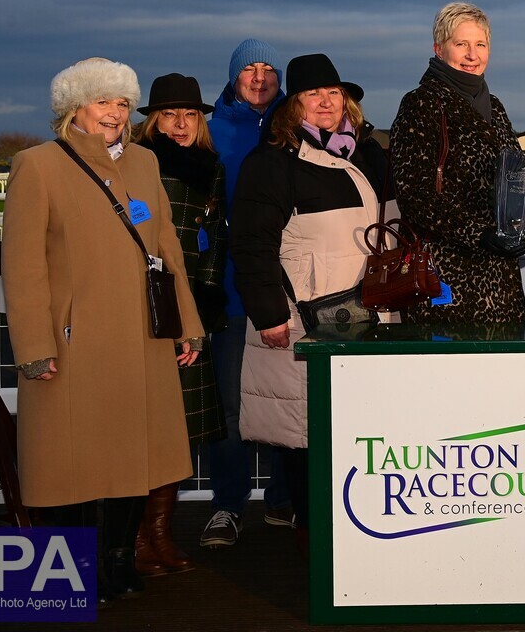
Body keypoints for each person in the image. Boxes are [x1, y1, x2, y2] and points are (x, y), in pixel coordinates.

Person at [1, 57, 203, 602]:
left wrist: (187, 325)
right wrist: (35, 345)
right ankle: (69, 570)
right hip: (73, 342)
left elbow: (168, 251)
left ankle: (117, 560)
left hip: (141, 338)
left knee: (135, 459)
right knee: (70, 463)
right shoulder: (37, 165)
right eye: (102, 102)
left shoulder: (143, 162)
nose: (115, 114)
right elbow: (22, 267)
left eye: (121, 103)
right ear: (74, 108)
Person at [230, 53, 390, 551]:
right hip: (303, 315)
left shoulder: (367, 153)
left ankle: (356, 527)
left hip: (368, 314)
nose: (326, 102)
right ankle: (312, 531)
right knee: (307, 428)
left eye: (334, 93)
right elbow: (252, 243)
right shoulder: (273, 161)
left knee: (358, 424)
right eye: (313, 94)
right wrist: (270, 314)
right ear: (292, 104)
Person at [131, 73, 229, 576]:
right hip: (145, 307)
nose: (180, 124)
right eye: (169, 114)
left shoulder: (212, 169)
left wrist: (207, 298)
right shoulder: (134, 163)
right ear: (152, 120)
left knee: (179, 428)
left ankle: (161, 536)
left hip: (190, 308)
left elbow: (213, 237)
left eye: (189, 115)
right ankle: (135, 541)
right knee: (143, 428)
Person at [202, 38, 292, 547]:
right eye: (249, 69)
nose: (259, 78)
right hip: (232, 294)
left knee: (286, 400)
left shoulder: (293, 130)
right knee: (231, 405)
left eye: (268, 69)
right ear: (233, 77)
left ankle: (282, 499)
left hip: (289, 294)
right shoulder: (212, 132)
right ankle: (228, 504)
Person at [390, 2, 525, 324]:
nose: (472, 55)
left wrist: (522, 215)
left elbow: (516, 175)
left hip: (500, 273)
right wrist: (478, 233)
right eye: (461, 44)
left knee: (502, 370)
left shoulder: (494, 106)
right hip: (446, 272)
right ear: (439, 49)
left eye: (480, 44)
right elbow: (415, 196)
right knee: (449, 370)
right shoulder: (421, 104)